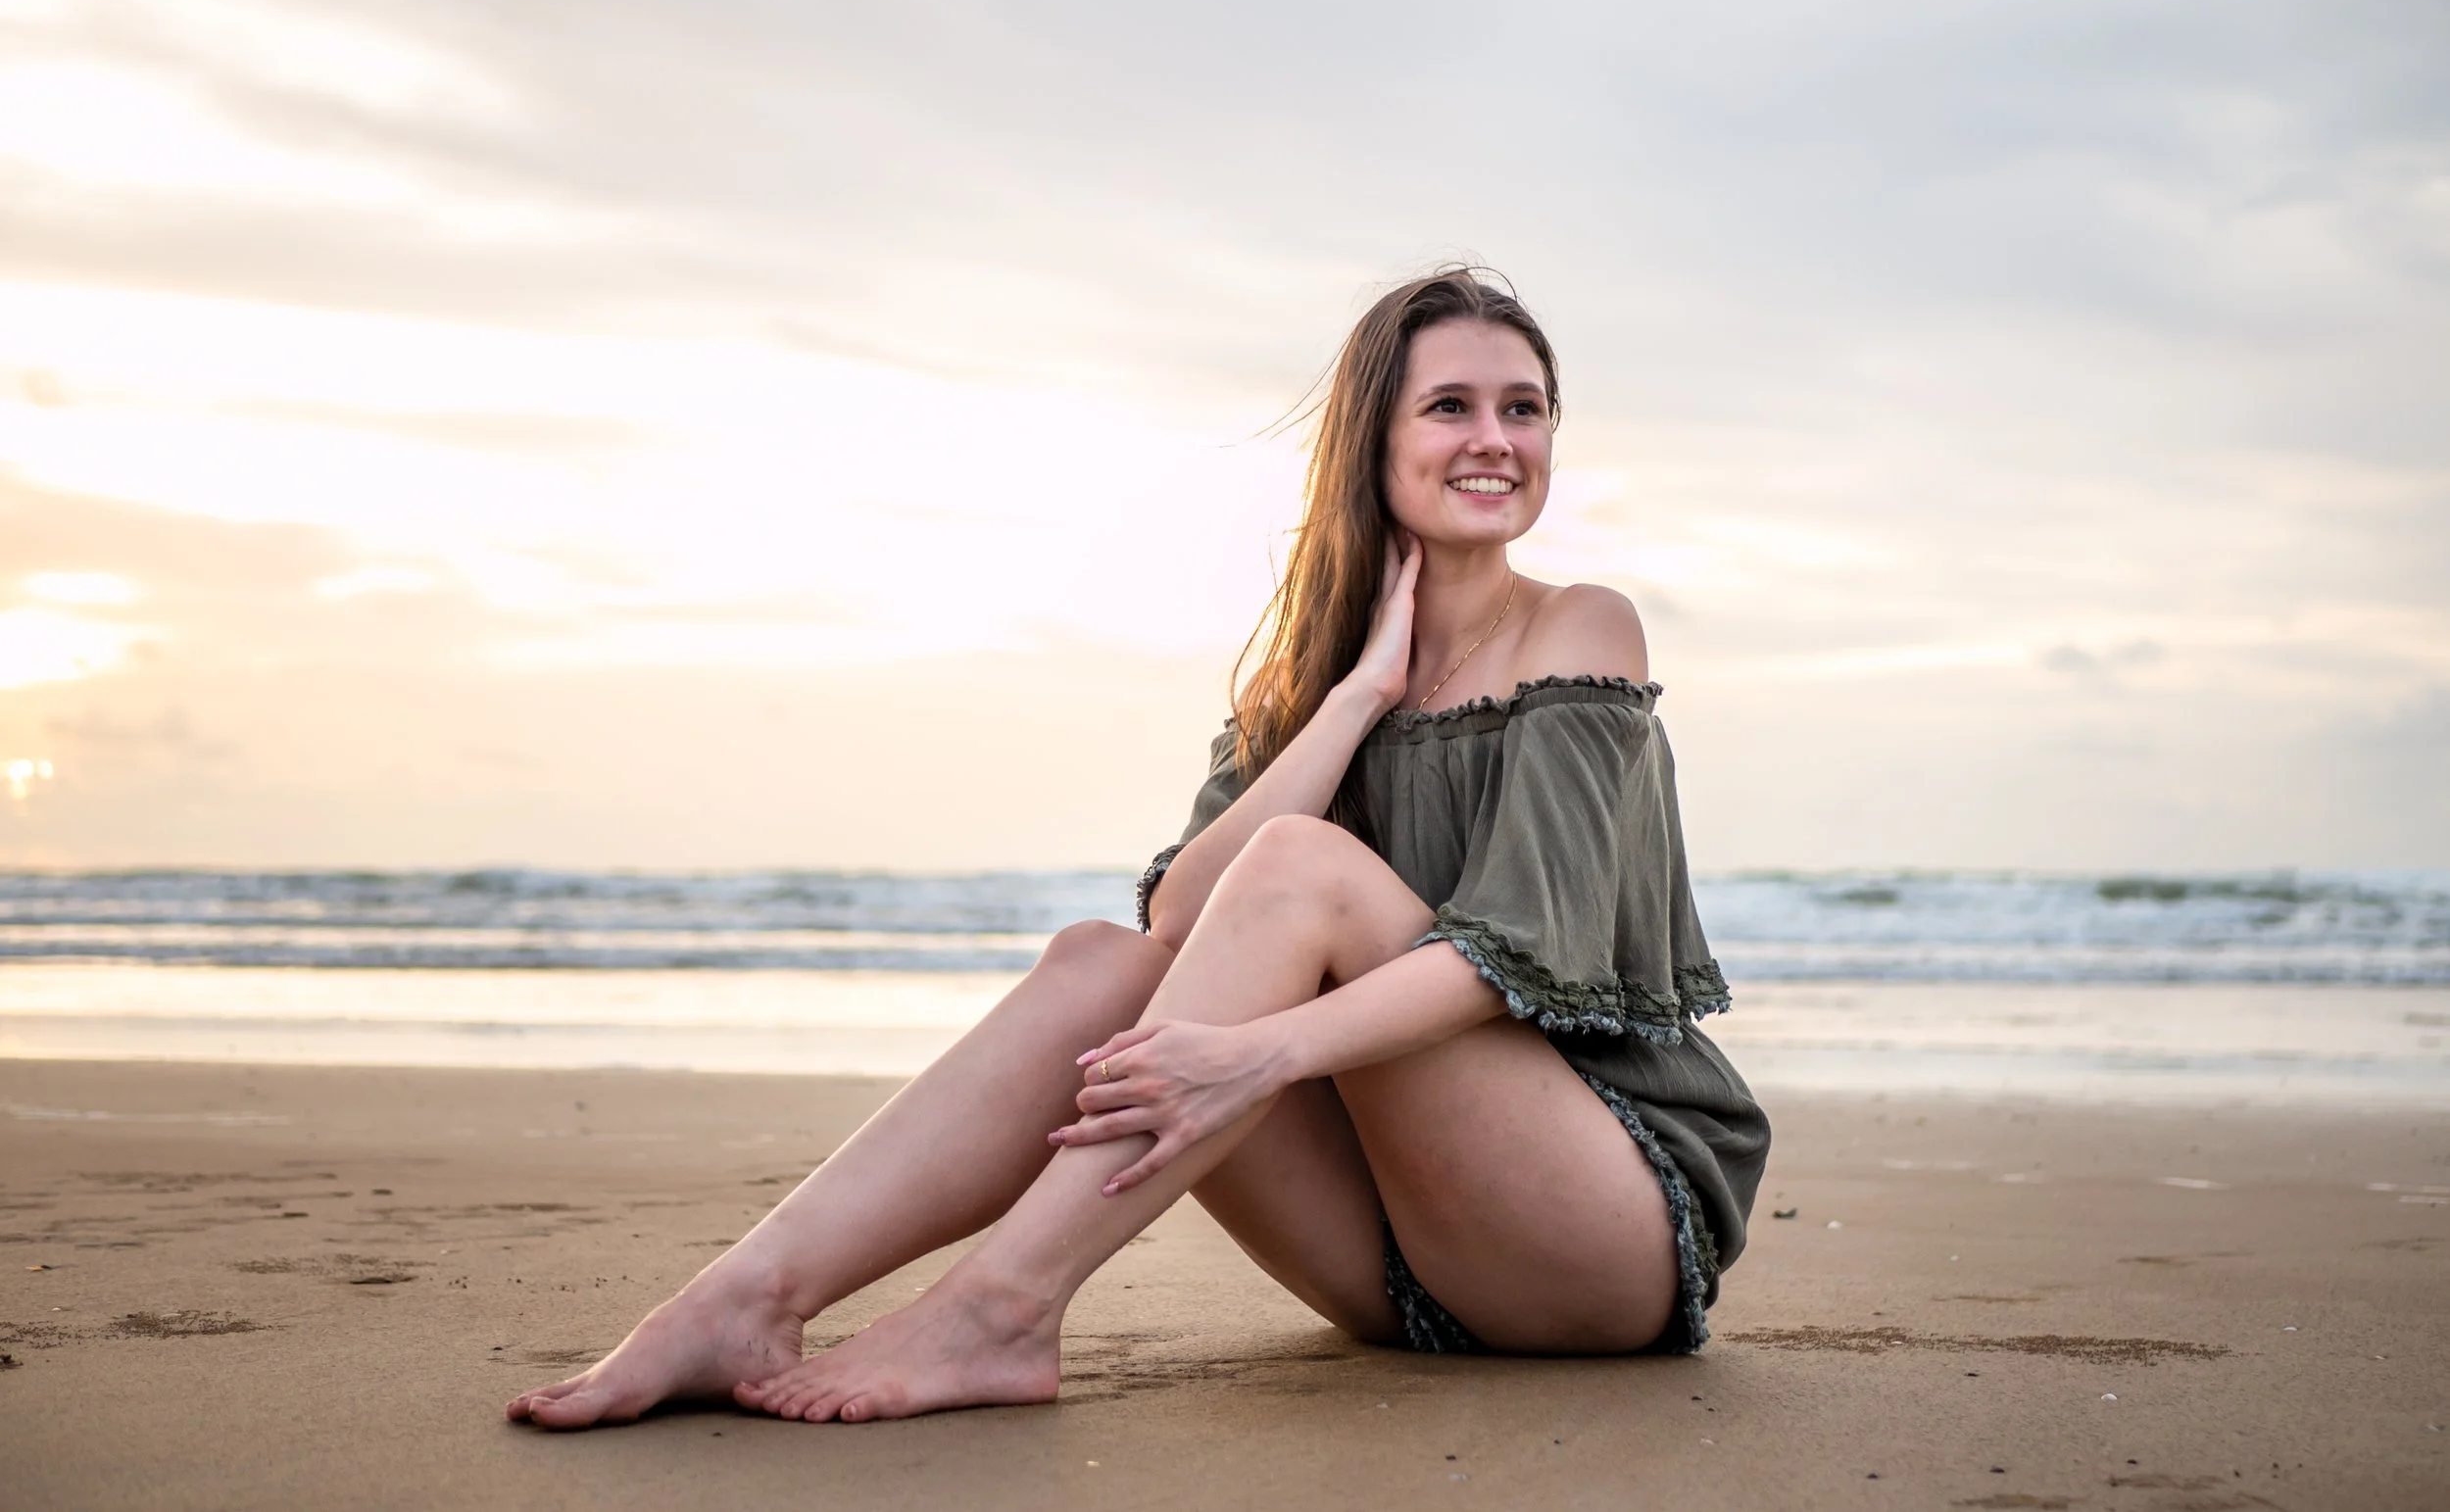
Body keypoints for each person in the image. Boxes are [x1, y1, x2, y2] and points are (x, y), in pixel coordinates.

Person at [508, 268, 1771, 1429]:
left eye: (1525, 409)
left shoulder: (1583, 628)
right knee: (1099, 960)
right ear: (1374, 441)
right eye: (1451, 405)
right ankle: (745, 1296)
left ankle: (998, 1310)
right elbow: (1183, 930)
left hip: (1604, 1228)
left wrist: (1256, 1057)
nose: (1495, 440)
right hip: (1407, 1273)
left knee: (1302, 870)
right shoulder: (1312, 676)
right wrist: (1350, 702)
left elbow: (1523, 952)